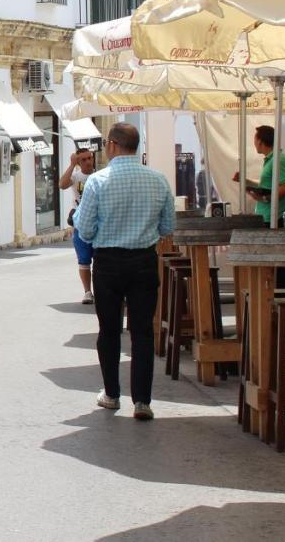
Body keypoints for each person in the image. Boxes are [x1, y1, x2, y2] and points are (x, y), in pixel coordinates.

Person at [75, 123, 174, 421]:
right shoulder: (158, 180)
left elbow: (86, 228)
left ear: (114, 145)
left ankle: (112, 395)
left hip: (108, 263)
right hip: (144, 261)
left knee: (109, 330)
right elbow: (168, 227)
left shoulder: (98, 181)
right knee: (142, 332)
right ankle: (142, 401)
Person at [59, 148, 98, 304]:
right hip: (81, 224)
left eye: (90, 158)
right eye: (83, 159)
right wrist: (71, 165)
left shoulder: (100, 176)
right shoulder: (76, 177)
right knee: (84, 260)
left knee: (101, 260)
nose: (88, 162)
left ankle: (101, 290)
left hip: (98, 224)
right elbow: (62, 184)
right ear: (78, 162)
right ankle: (88, 292)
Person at [233, 125, 285, 226]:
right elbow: (266, 185)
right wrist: (244, 180)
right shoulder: (271, 160)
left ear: (260, 141)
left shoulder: (279, 159)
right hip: (266, 216)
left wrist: (264, 198)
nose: (254, 143)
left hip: (273, 219)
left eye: (254, 139)